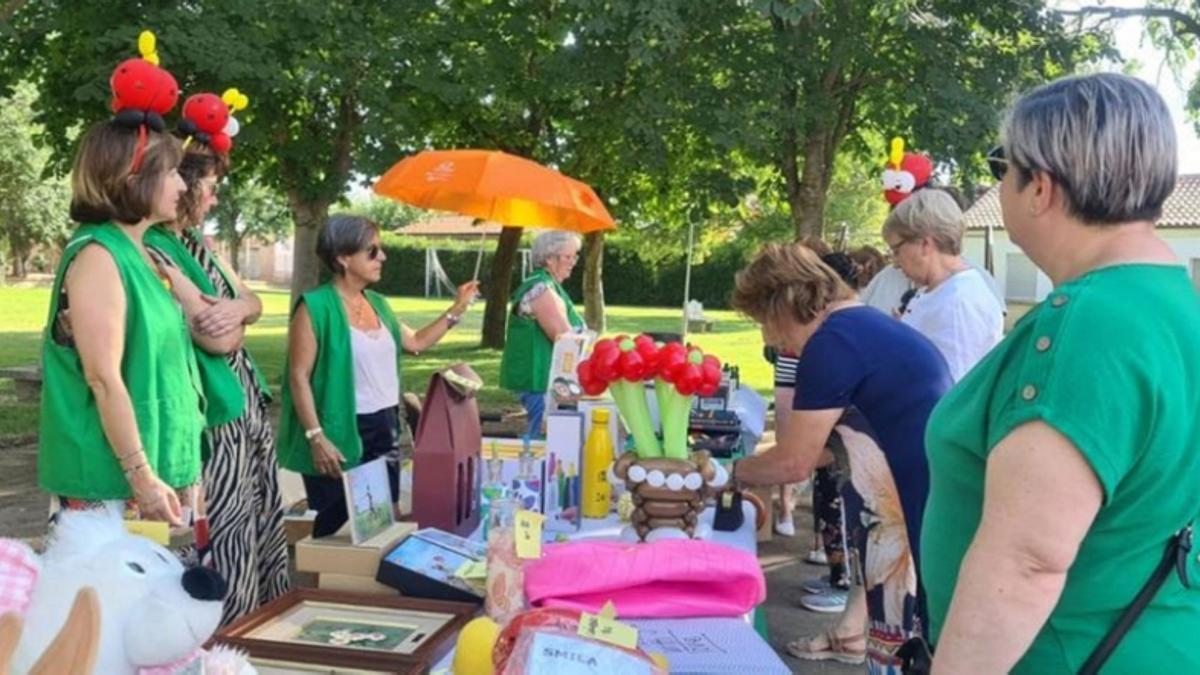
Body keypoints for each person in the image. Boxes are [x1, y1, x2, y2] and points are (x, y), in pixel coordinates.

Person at [923, 73, 1200, 673]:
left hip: (1065, 654)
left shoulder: (1087, 322)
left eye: (1002, 167)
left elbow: (1026, 559)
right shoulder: (1176, 303)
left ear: (1041, 187)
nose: (999, 187)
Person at [729, 243, 952, 669]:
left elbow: (794, 461)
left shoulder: (832, 344)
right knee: (904, 636)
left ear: (786, 303)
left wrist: (727, 472)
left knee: (902, 643)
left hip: (905, 506)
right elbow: (829, 451)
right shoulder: (862, 327)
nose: (770, 339)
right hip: (917, 499)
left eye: (764, 322)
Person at [143, 112, 289, 625]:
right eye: (206, 185)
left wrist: (241, 313)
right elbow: (214, 334)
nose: (212, 196)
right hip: (216, 410)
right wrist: (236, 320)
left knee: (256, 516)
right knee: (225, 528)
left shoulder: (197, 244)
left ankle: (260, 624)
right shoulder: (156, 247)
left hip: (244, 398)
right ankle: (232, 633)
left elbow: (251, 302)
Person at [39, 110, 204, 527]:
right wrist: (142, 476)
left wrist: (184, 468)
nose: (183, 185)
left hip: (156, 475)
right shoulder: (99, 255)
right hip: (112, 485)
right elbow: (103, 378)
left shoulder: (139, 252)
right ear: (133, 180)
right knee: (115, 593)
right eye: (171, 173)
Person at [278, 215, 479, 538]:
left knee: (381, 521)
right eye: (373, 250)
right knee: (336, 529)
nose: (382, 257)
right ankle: (328, 585)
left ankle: (366, 584)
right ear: (343, 257)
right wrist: (317, 437)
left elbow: (416, 343)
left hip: (384, 426)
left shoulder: (379, 304)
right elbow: (298, 377)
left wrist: (458, 308)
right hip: (338, 430)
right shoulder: (314, 307)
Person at [882, 189, 1004, 382]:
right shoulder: (939, 290)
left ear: (925, 244)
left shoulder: (958, 303)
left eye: (896, 250)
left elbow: (953, 391)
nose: (895, 263)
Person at [498, 231, 586, 438]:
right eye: (568, 256)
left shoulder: (549, 286)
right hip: (541, 380)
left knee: (547, 438)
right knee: (545, 441)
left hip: (547, 379)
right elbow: (563, 338)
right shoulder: (541, 288)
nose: (573, 262)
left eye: (575, 256)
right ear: (549, 258)